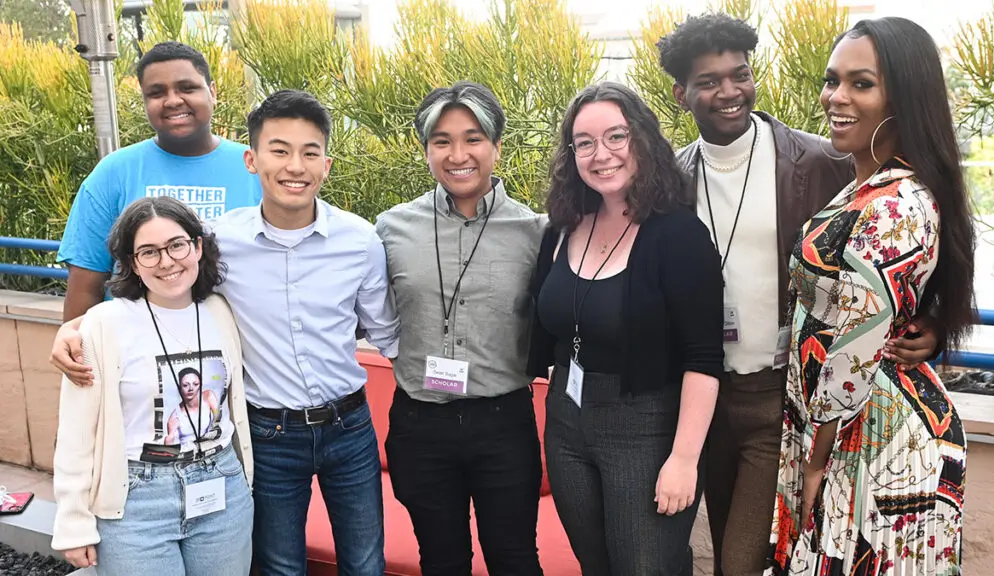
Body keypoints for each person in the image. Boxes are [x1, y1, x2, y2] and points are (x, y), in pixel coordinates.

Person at [50, 89, 400, 576]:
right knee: (279, 566)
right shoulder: (218, 242)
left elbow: (385, 328)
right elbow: (160, 297)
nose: (294, 165)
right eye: (279, 150)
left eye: (309, 152)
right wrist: (75, 329)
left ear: (327, 164)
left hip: (350, 427)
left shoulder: (361, 240)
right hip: (269, 432)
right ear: (252, 160)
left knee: (365, 563)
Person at [656, 14, 940, 576]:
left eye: (739, 74)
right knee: (737, 550)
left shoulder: (820, 162)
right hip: (704, 397)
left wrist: (931, 318)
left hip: (781, 396)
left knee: (743, 562)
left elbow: (895, 251)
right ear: (681, 93)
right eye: (709, 81)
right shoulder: (669, 178)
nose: (729, 91)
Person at [765, 17, 973, 575]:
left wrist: (815, 464)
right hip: (856, 432)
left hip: (871, 443)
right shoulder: (872, 187)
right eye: (833, 81)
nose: (837, 97)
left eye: (862, 83)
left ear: (903, 97)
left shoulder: (893, 203)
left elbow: (851, 353)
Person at [526, 81, 723, 575]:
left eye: (616, 136)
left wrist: (683, 459)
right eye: (585, 143)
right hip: (567, 422)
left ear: (642, 138)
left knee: (646, 567)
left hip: (646, 427)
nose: (601, 154)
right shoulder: (565, 224)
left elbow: (704, 358)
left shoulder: (678, 234)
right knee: (596, 565)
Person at [374, 81, 546, 575]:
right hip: (420, 426)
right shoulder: (390, 230)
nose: (458, 154)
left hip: (504, 424)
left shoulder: (536, 233)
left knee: (515, 559)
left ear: (495, 145)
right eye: (441, 141)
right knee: (442, 560)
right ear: (425, 149)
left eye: (472, 138)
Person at [51, 196, 254, 575]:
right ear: (131, 263)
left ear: (197, 246)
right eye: (148, 252)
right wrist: (73, 521)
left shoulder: (220, 311)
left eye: (177, 245)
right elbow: (77, 432)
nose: (166, 261)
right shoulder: (103, 325)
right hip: (136, 500)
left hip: (221, 485)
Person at [57, 41, 261, 322]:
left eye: (187, 88)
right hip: (135, 350)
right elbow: (85, 285)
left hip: (237, 347)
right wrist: (78, 357)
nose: (173, 100)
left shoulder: (255, 167)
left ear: (212, 93)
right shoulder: (113, 173)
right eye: (156, 93)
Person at [165, 366, 221, 446]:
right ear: (179, 387)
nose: (191, 388)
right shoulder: (174, 417)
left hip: (210, 446)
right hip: (188, 453)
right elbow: (169, 444)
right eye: (185, 385)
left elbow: (217, 416)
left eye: (195, 384)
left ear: (200, 385)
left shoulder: (208, 396)